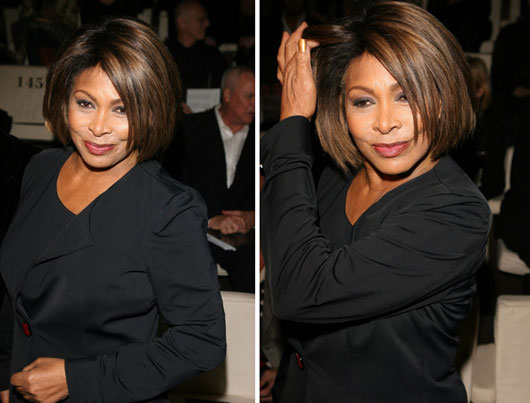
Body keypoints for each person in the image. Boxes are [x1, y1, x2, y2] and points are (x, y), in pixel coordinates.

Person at [260, 2, 491, 402]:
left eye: (406, 96)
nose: (385, 123)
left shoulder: (455, 212)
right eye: (363, 101)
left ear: (443, 96)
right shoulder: (337, 176)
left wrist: (292, 123)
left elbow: (301, 292)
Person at [0, 17, 225, 403]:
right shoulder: (41, 169)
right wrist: (5, 375)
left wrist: (76, 379)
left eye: (122, 109)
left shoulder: (168, 208)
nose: (99, 127)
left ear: (151, 110)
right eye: (85, 103)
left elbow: (202, 341)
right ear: (65, 98)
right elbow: (13, 292)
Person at [164, 66, 255, 293]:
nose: (254, 104)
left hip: (244, 241)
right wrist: (209, 219)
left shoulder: (262, 140)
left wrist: (253, 217)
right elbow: (170, 186)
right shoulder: (189, 129)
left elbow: (271, 193)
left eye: (257, 97)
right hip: (192, 231)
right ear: (227, 95)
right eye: (248, 96)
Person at [164, 0, 227, 92]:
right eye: (201, 19)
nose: (207, 23)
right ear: (182, 22)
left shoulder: (211, 54)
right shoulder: (165, 54)